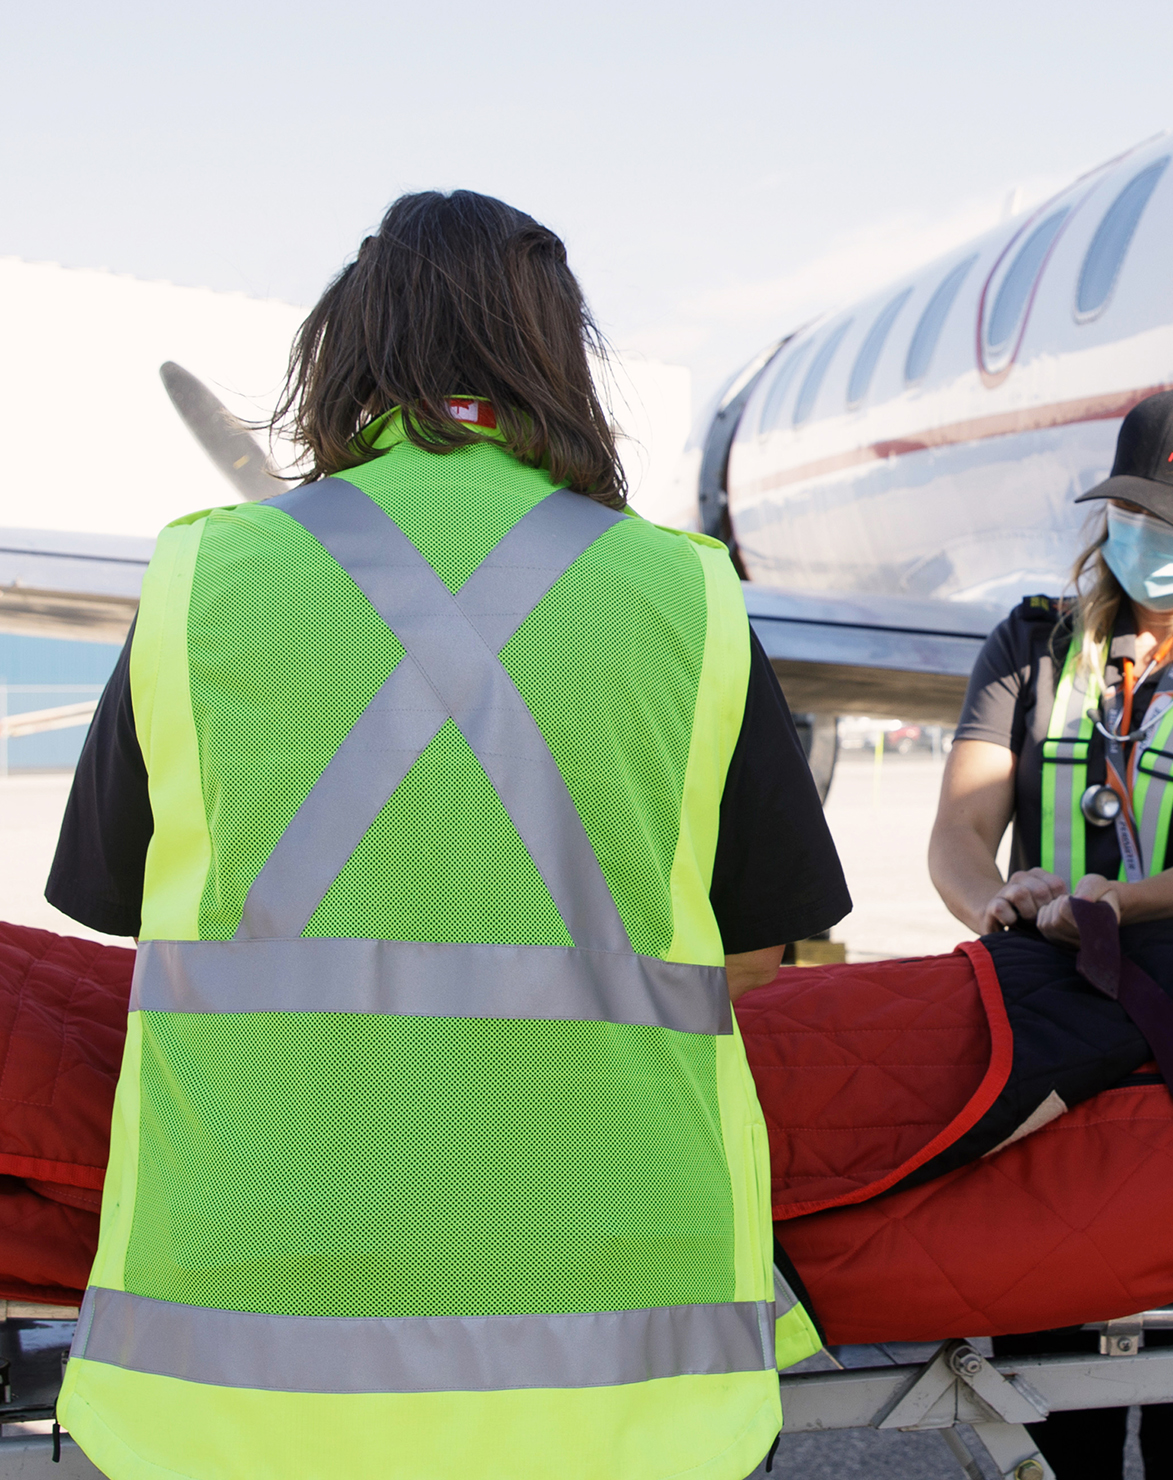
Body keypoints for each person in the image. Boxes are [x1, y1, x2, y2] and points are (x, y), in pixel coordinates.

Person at [43, 190, 850, 1480]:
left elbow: (112, 898)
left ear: (346, 351)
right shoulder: (688, 594)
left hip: (235, 1374)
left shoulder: (202, 574)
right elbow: (768, 943)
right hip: (621, 1378)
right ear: (560, 358)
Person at [928, 385, 1173, 1480]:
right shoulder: (1031, 640)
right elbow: (962, 829)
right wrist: (997, 904)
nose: (1147, 540)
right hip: (1044, 1034)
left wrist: (1106, 905)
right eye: (1131, 511)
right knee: (1049, 1390)